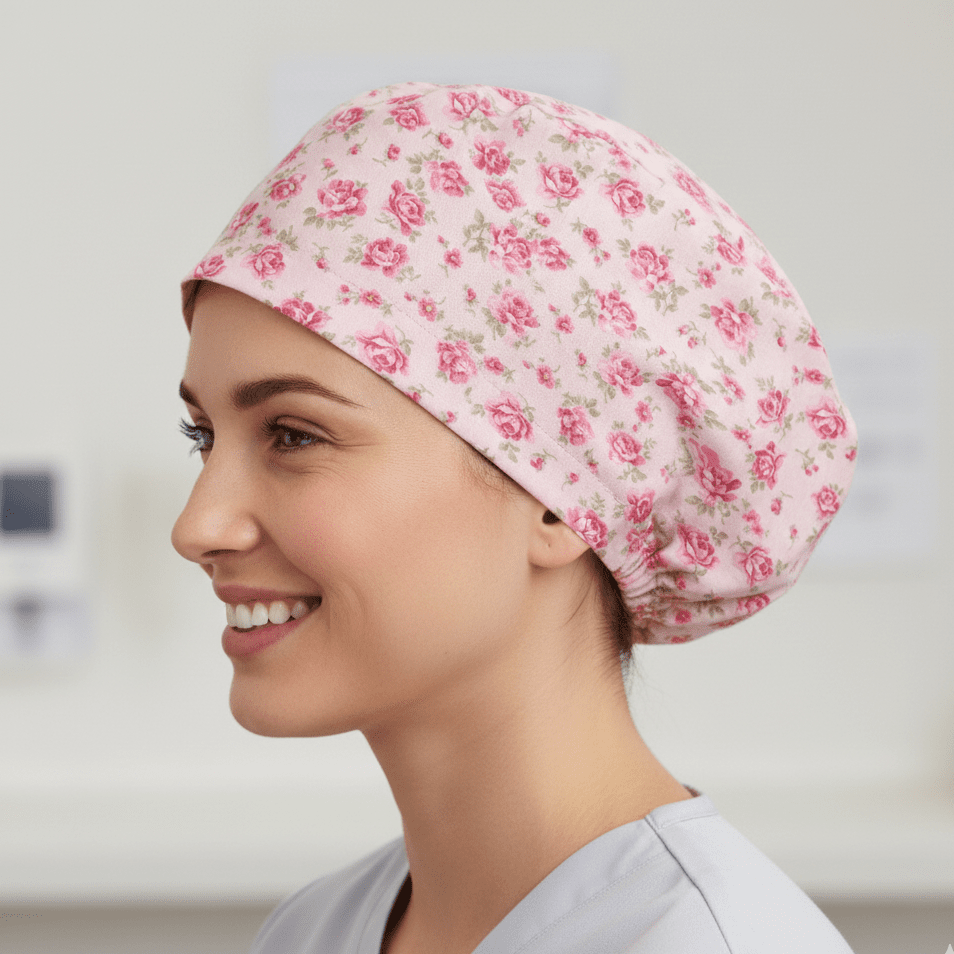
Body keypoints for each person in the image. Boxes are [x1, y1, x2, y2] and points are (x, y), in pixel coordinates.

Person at [171, 81, 858, 954]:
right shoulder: (311, 932)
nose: (198, 526)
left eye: (294, 436)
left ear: (559, 499)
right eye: (202, 435)